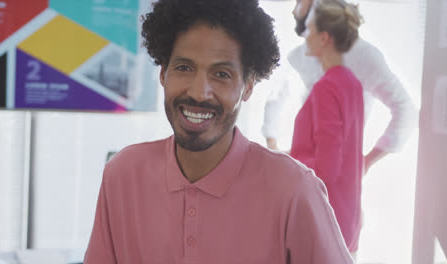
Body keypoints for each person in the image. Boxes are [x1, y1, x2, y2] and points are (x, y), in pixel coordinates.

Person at [83, 0, 354, 263]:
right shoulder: (122, 175)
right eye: (184, 68)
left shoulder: (294, 189)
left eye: (221, 74)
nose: (199, 92)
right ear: (163, 74)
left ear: (248, 85)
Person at [264, 0, 418, 174]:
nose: (293, 11)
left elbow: (327, 165)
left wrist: (366, 162)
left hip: (324, 181)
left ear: (324, 37)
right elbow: (275, 100)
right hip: (326, 177)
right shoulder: (336, 77)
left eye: (299, 2)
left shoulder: (332, 85)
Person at [290, 0, 364, 254]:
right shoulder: (351, 83)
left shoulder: (327, 88)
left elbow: (326, 170)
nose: (306, 36)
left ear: (324, 39)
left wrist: (284, 163)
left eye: (310, 30)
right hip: (347, 216)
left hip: (326, 220)